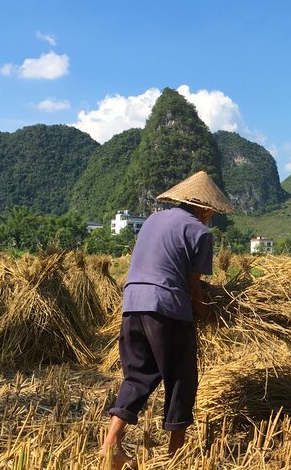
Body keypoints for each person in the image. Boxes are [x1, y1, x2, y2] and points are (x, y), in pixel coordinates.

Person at [100, 170, 234, 469]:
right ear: (207, 207)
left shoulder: (152, 220)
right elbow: (193, 285)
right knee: (181, 380)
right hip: (167, 309)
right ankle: (176, 455)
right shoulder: (200, 233)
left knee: (138, 375)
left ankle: (111, 444)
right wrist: (206, 312)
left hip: (132, 303)